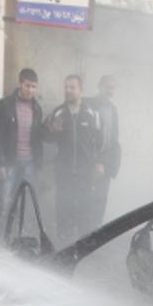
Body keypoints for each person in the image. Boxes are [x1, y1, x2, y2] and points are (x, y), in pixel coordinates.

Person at [43, 74, 103, 243]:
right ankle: (63, 243)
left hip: (85, 171)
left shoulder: (92, 114)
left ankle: (84, 244)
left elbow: (101, 141)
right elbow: (45, 137)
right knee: (63, 207)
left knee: (85, 208)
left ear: (81, 90)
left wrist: (99, 163)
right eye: (66, 87)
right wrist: (52, 130)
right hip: (64, 171)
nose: (68, 90)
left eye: (72, 87)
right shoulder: (58, 112)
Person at [0, 68, 43, 222]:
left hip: (29, 162)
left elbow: (37, 137)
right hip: (10, 162)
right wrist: (0, 163)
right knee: (5, 202)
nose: (30, 90)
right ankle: (1, 238)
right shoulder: (5, 104)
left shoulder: (37, 108)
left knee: (24, 202)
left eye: (34, 86)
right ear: (20, 83)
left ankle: (17, 238)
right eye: (27, 86)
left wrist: (37, 163)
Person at [86, 74, 120, 225]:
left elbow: (113, 140)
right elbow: (86, 138)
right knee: (86, 201)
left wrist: (108, 164)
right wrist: (96, 162)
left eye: (112, 88)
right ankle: (82, 238)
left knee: (100, 202)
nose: (110, 91)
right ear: (99, 86)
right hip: (89, 164)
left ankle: (95, 237)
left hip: (106, 165)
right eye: (107, 87)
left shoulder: (113, 109)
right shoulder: (88, 105)